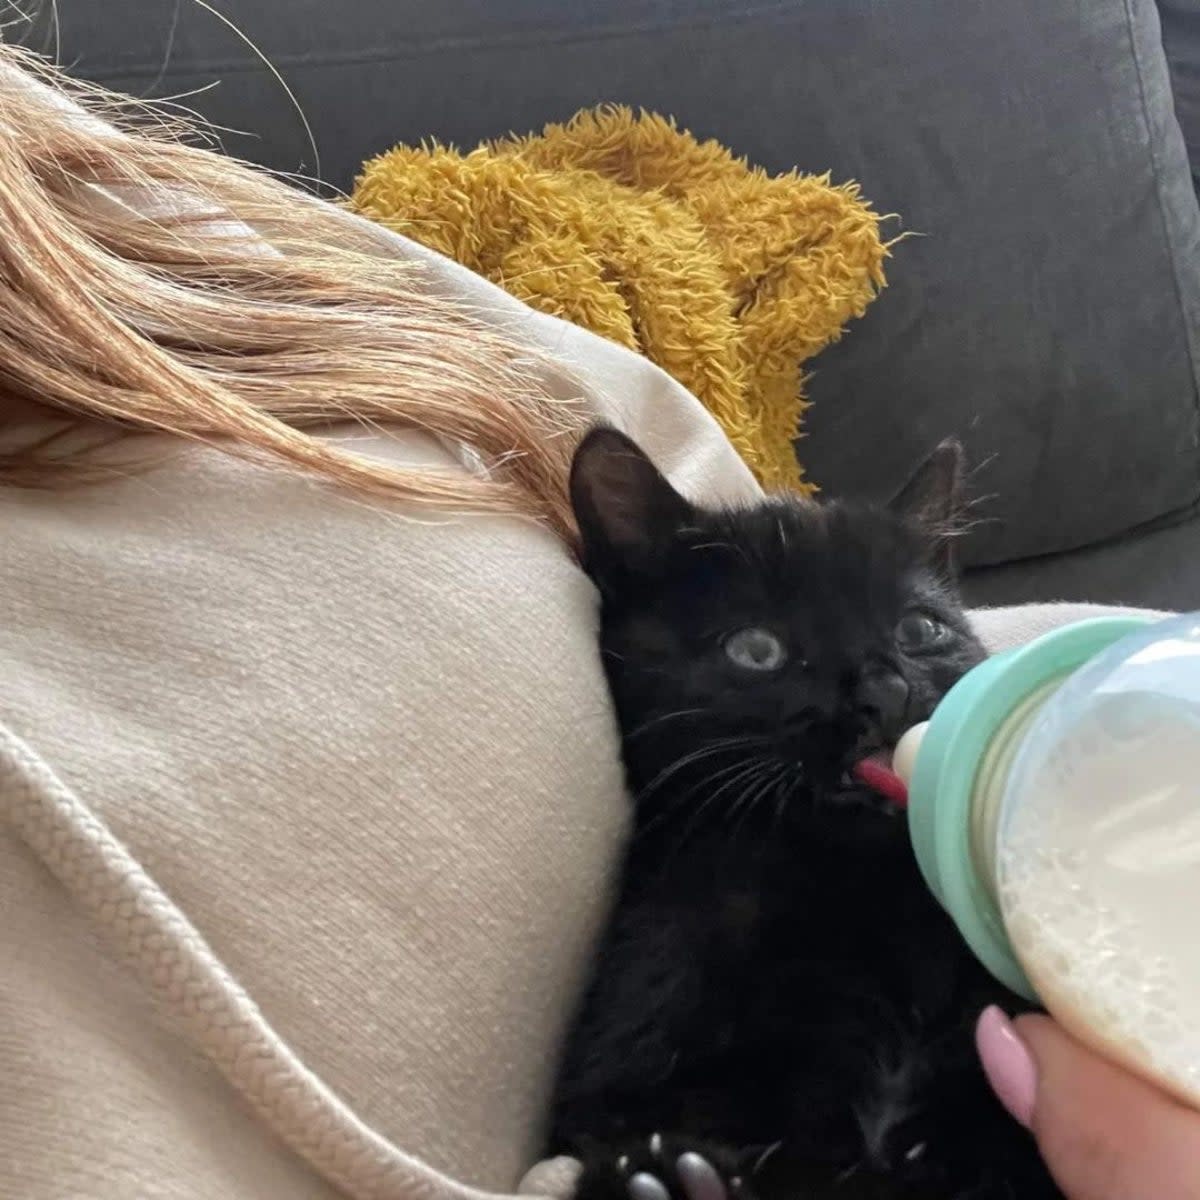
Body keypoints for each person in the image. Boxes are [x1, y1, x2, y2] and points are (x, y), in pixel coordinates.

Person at [0, 42, 1193, 1200]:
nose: (877, 697)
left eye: (918, 639)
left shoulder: (991, 831)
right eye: (765, 652)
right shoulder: (699, 876)